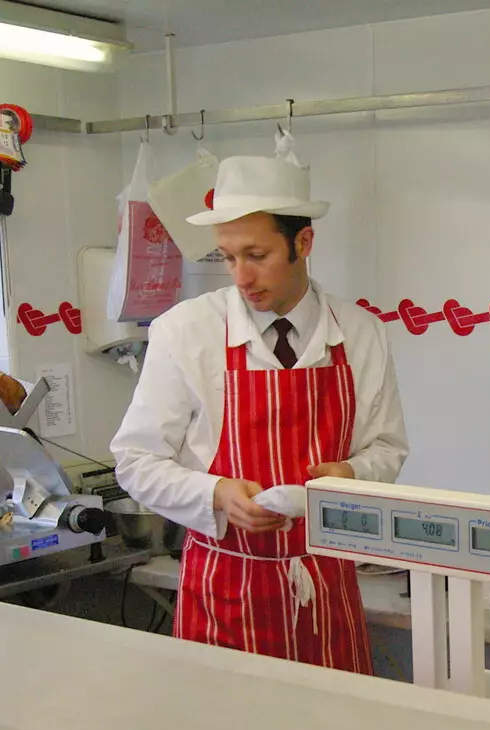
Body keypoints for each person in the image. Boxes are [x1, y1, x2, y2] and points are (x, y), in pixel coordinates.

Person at [111, 154, 407, 674]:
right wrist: (216, 493)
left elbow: (386, 449)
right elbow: (135, 461)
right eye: (227, 257)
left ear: (304, 243)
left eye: (257, 254)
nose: (241, 276)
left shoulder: (361, 331)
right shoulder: (185, 332)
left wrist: (352, 474)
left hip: (327, 592)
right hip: (225, 596)